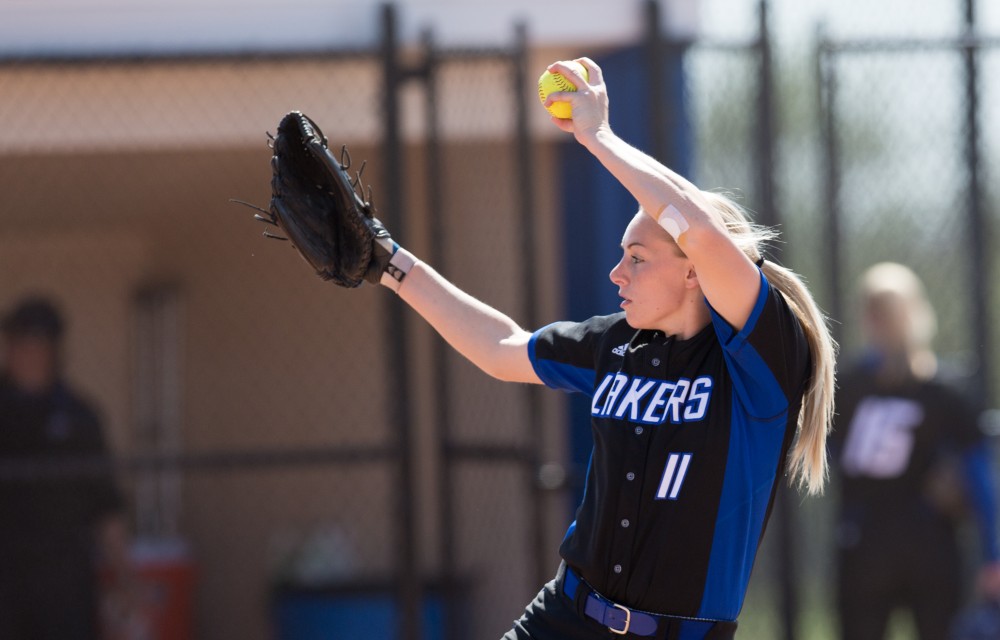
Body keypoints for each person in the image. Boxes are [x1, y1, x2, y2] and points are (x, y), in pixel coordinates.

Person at [347, 58, 835, 638]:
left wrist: (597, 136)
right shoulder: (618, 345)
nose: (616, 273)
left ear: (693, 273)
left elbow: (701, 231)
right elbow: (503, 347)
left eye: (637, 257)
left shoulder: (762, 362)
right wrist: (389, 263)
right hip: (564, 616)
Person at [832, 262, 1000, 640]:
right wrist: (993, 554)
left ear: (869, 317)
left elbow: (829, 455)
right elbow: (981, 480)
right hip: (930, 542)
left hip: (864, 539)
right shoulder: (946, 390)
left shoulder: (848, 386)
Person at [0, 297, 136, 640]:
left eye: (39, 344)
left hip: (63, 579)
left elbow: (106, 506)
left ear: (55, 350)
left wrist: (125, 578)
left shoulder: (79, 417)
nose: (30, 354)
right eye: (21, 343)